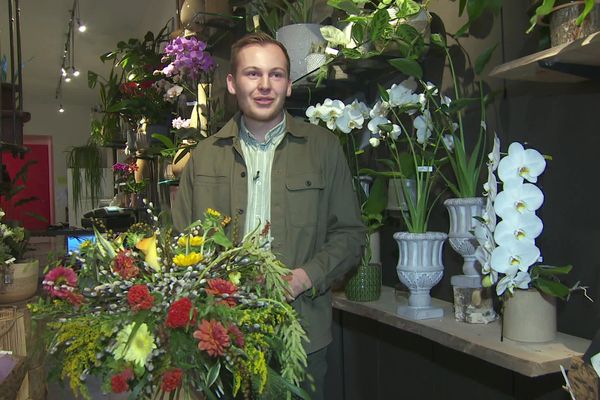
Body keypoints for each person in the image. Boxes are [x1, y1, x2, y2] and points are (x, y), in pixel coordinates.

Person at [172, 32, 365, 399]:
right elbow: (182, 242)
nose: (264, 85)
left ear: (289, 85)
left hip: (301, 338)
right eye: (252, 74)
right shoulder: (205, 156)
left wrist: (304, 278)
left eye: (275, 74)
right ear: (232, 83)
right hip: (220, 340)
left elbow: (350, 235)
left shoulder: (323, 149)